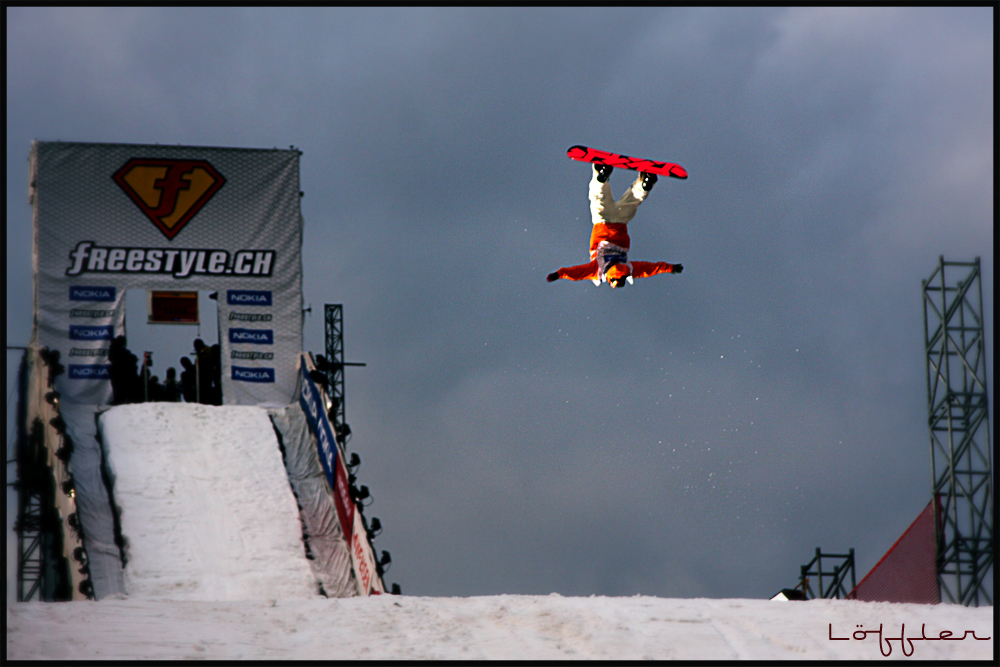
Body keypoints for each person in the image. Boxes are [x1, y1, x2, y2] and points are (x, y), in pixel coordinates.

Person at [546, 164, 683, 289]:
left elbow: (649, 269)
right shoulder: (598, 269)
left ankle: (645, 183)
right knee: (598, 197)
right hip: (603, 221)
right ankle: (602, 174)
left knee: (632, 200)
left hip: (621, 221)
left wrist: (670, 268)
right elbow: (578, 273)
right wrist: (559, 274)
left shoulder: (628, 268)